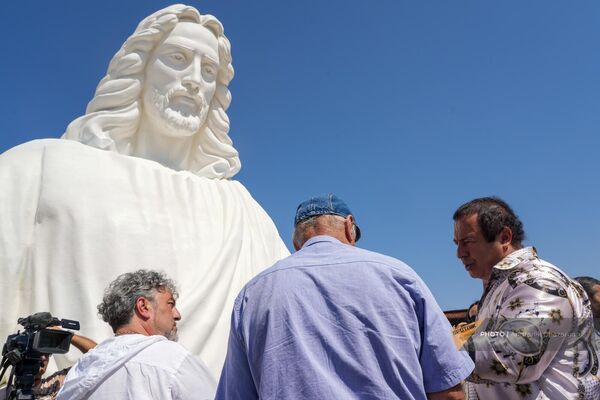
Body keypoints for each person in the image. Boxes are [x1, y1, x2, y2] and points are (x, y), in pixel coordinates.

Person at [0, 4, 288, 378]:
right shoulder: (39, 166)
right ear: (139, 68)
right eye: (177, 58)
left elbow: (294, 315)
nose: (193, 80)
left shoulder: (242, 210)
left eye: (208, 71)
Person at [217, 194, 474, 400]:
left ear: (297, 242)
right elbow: (448, 389)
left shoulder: (253, 294)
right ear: (350, 227)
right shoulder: (399, 276)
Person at [452, 197, 599, 399]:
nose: (459, 253)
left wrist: (441, 346)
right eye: (457, 244)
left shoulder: (540, 281)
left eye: (467, 241)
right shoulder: (504, 286)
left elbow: (519, 352)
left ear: (504, 237)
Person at [56, 269, 215, 399]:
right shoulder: (174, 360)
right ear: (143, 307)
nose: (177, 314)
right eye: (170, 304)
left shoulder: (80, 371)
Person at [34, 333, 97, 400]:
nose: (43, 358)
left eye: (46, 354)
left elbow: (99, 355)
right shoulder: (21, 388)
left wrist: (67, 335)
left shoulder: (57, 382)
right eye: (37, 353)